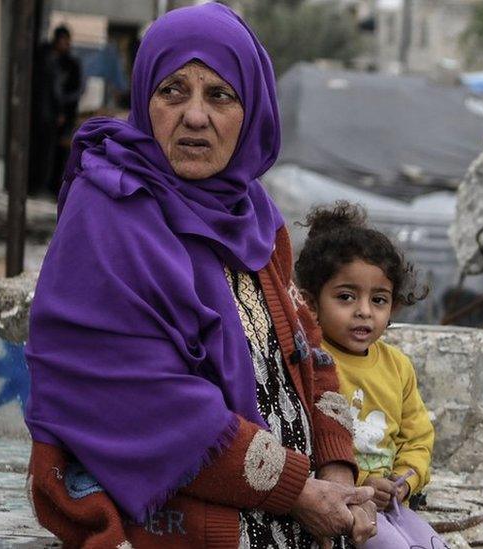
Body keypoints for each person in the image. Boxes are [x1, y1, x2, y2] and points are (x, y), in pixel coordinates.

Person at [23, 5, 376, 548]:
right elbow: (144, 404)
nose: (194, 116)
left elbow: (310, 350)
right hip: (179, 522)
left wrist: (335, 469)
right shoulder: (107, 214)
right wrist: (299, 492)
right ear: (144, 99)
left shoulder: (252, 214)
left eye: (219, 95)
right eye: (172, 91)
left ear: (251, 108)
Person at [295, 202, 446, 549]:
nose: (364, 311)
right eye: (346, 297)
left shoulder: (397, 366)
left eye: (378, 300)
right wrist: (363, 482)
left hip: (391, 502)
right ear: (311, 303)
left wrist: (403, 481)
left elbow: (418, 439)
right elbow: (310, 445)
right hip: (343, 506)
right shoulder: (312, 363)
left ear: (393, 307)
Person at [28, 26, 82, 197]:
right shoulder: (48, 60)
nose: (67, 45)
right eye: (64, 41)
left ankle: (48, 186)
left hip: (55, 115)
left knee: (56, 153)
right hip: (47, 115)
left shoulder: (68, 63)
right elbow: (54, 91)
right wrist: (60, 110)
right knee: (44, 152)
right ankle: (40, 186)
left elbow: (75, 89)